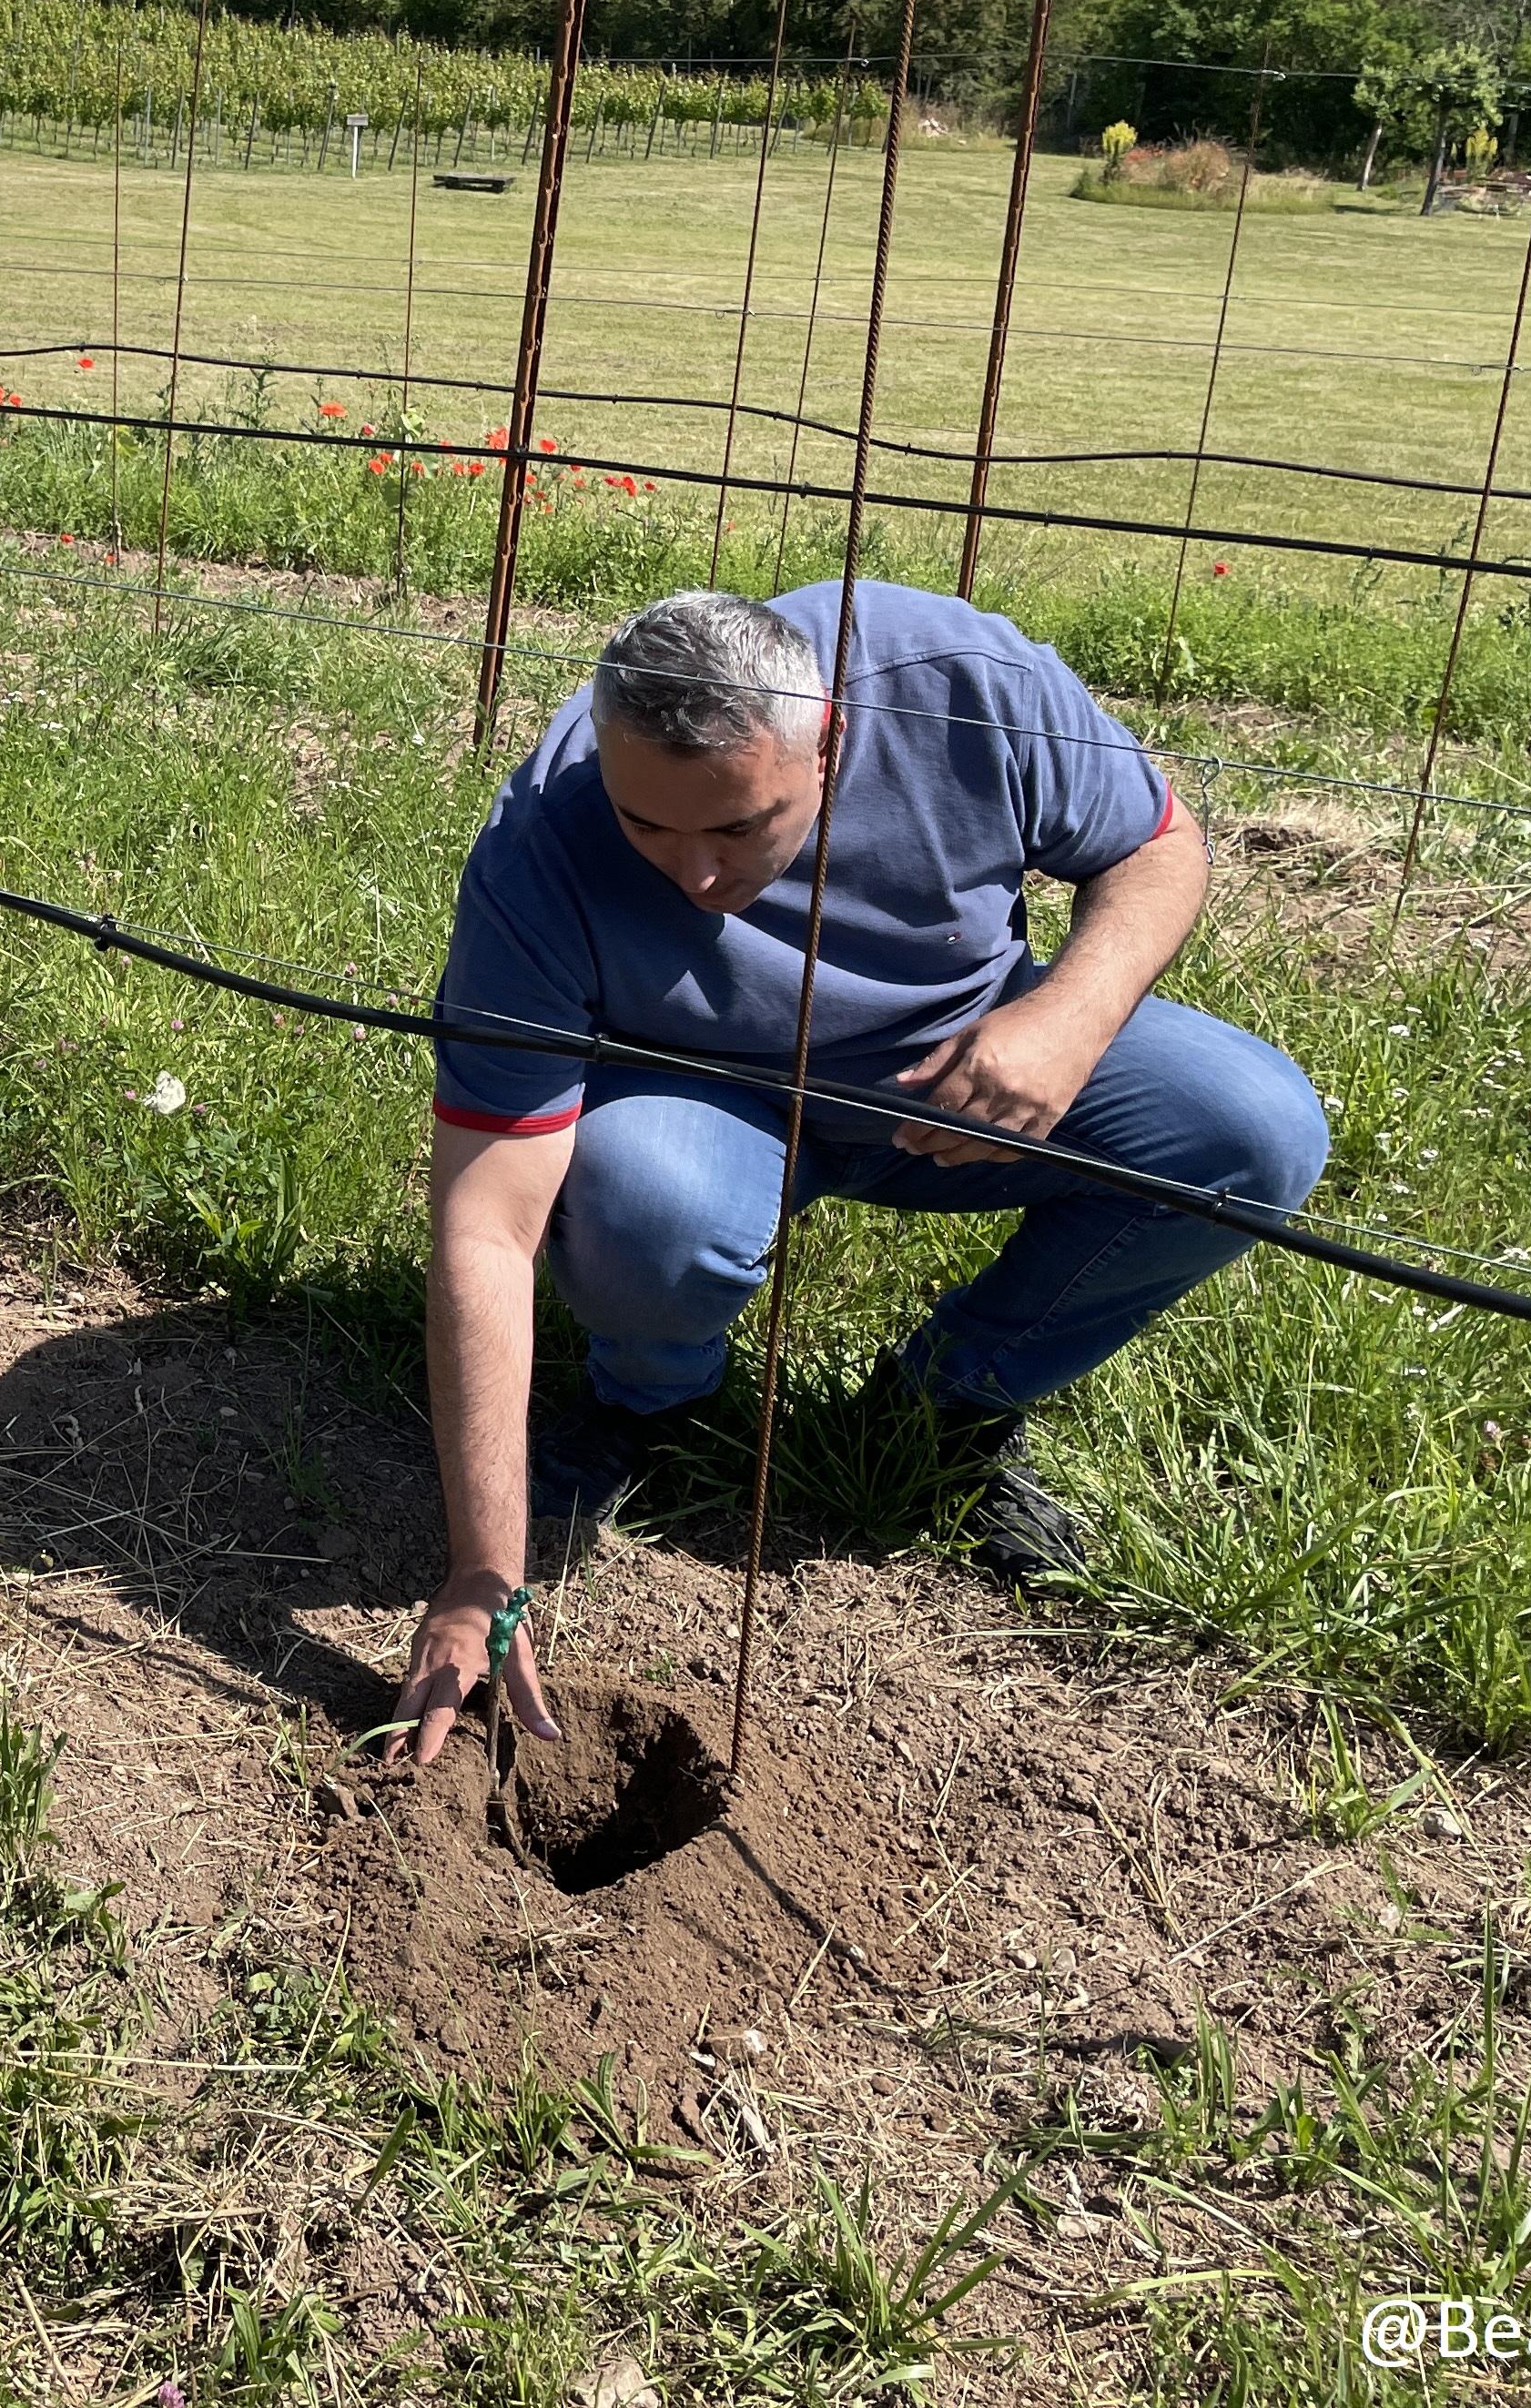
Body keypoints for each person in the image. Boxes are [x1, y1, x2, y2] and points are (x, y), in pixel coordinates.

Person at [391, 583, 1325, 1765]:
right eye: (649, 828)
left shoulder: (961, 681)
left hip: (962, 1068)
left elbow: (1158, 848)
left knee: (1254, 1131)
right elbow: (485, 1222)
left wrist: (1065, 1025)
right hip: (702, 1101)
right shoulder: (543, 835)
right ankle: (651, 1395)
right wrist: (485, 1572)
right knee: (651, 1207)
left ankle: (950, 1406)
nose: (695, 876)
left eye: (738, 829)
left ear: (830, 741)